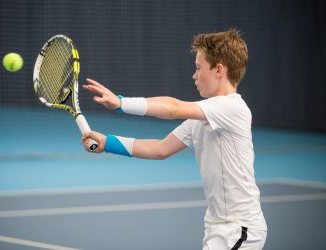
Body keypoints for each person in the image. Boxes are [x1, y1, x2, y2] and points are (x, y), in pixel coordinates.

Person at [82, 29, 267, 250]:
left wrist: (122, 103)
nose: (194, 76)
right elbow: (160, 149)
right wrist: (108, 143)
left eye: (199, 68)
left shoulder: (232, 107)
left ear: (219, 70)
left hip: (239, 228)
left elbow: (173, 108)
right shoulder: (200, 118)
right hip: (217, 226)